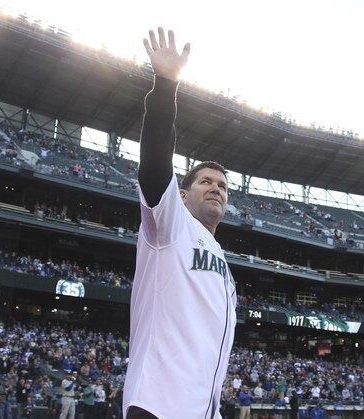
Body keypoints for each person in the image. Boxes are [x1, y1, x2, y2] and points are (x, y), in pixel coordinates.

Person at [122, 27, 237, 419]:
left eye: (222, 185)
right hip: (158, 405)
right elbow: (155, 164)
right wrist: (166, 85)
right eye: (205, 181)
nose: (216, 188)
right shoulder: (168, 227)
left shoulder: (220, 257)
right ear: (182, 195)